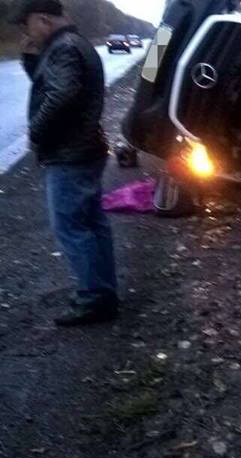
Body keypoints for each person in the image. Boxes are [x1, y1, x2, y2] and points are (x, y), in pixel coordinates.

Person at [8, 0, 119, 326]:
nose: (24, 31)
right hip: (84, 150)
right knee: (92, 224)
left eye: (25, 25)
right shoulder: (68, 44)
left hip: (71, 154)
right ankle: (102, 292)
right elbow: (47, 85)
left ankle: (94, 299)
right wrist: (30, 56)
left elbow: (62, 94)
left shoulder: (65, 48)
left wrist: (36, 132)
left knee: (71, 228)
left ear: (42, 19)